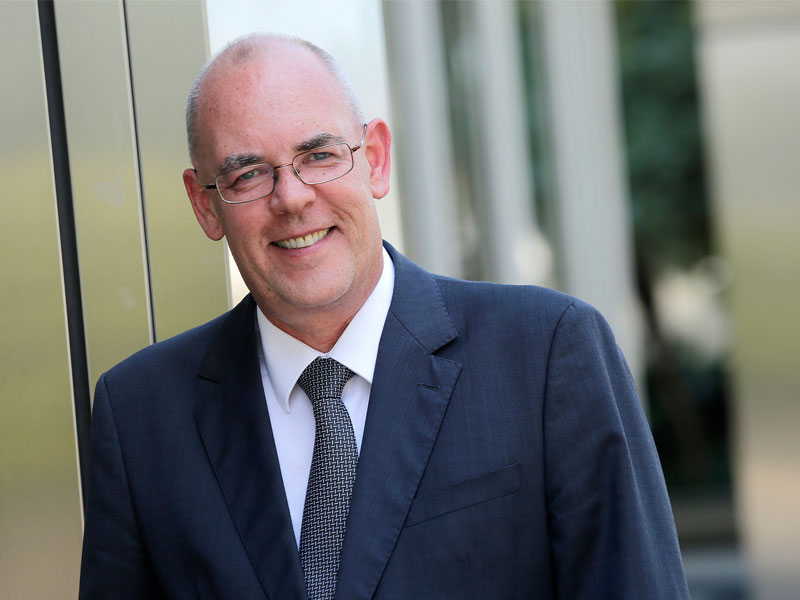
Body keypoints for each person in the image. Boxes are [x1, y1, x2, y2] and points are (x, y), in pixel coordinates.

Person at [79, 33, 689, 599]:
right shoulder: (140, 417)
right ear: (205, 205)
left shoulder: (545, 353)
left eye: (318, 154)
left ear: (374, 159)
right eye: (248, 174)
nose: (291, 198)